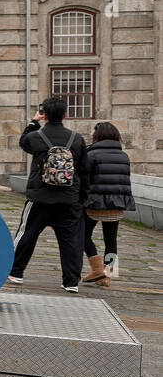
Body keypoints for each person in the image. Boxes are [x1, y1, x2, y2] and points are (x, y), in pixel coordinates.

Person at [9, 97, 88, 292]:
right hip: (69, 199)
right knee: (70, 240)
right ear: (65, 115)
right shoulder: (76, 139)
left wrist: (33, 122)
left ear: (45, 115)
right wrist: (81, 197)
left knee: (27, 234)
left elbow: (23, 143)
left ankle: (15, 272)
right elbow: (84, 170)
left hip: (40, 198)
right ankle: (70, 282)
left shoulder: (36, 137)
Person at [81, 121, 134, 288]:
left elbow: (85, 180)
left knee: (82, 234)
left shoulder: (91, 154)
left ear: (97, 136)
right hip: (117, 203)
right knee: (111, 240)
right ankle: (107, 277)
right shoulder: (124, 156)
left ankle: (97, 269)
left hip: (94, 203)